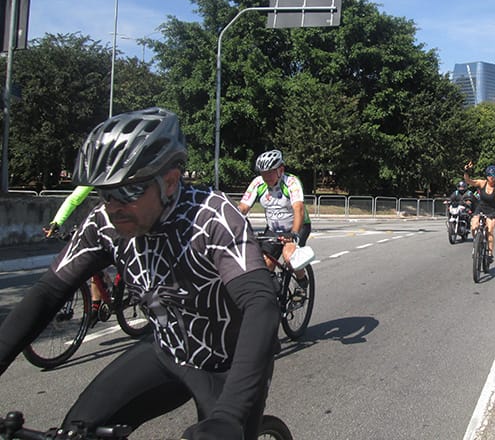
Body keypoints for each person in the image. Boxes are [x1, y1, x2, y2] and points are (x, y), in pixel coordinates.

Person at [0, 107, 279, 440]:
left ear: (170, 182)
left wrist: (229, 416)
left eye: (127, 192)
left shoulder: (213, 216)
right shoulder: (103, 222)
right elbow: (48, 293)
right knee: (76, 429)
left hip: (229, 364)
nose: (113, 207)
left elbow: (260, 303)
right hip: (165, 350)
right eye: (105, 193)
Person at [238, 149, 311, 285]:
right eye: (263, 173)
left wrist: (293, 234)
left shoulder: (291, 182)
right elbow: (243, 207)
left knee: (290, 257)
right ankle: (274, 291)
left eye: (270, 172)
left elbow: (299, 209)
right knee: (264, 263)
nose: (267, 176)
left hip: (298, 226)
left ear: (281, 170)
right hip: (274, 228)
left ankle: (302, 282)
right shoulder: (258, 183)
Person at [43, 185, 109, 325]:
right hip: (101, 222)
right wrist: (56, 222)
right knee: (93, 264)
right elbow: (74, 198)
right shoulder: (97, 174)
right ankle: (96, 306)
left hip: (127, 220)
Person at [464, 161, 495, 261]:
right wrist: (466, 171)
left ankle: (490, 253)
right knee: (474, 226)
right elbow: (468, 181)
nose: (491, 178)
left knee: (490, 230)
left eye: (493, 176)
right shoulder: (482, 183)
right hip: (480, 207)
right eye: (489, 175)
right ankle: (477, 243)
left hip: (491, 210)